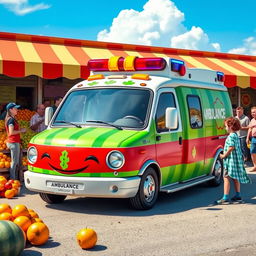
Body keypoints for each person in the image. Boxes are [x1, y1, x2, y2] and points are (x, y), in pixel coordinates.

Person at [215, 117, 250, 204]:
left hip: (230, 161)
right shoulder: (235, 135)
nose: (225, 128)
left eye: (226, 126)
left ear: (230, 126)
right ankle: (238, 195)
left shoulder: (231, 136)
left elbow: (231, 147)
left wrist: (223, 155)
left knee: (226, 177)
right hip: (236, 160)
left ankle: (225, 197)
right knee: (235, 178)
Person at [5, 102, 26, 180]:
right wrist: (21, 131)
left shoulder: (11, 119)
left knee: (15, 162)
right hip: (13, 142)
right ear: (10, 110)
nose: (17, 109)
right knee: (14, 162)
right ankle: (12, 179)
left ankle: (13, 179)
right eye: (15, 108)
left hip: (13, 142)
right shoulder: (11, 120)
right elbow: (11, 132)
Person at [246, 106, 256, 172]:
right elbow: (249, 128)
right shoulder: (252, 120)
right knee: (252, 152)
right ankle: (255, 166)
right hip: (253, 138)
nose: (253, 113)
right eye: (252, 112)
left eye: (254, 112)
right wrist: (247, 138)